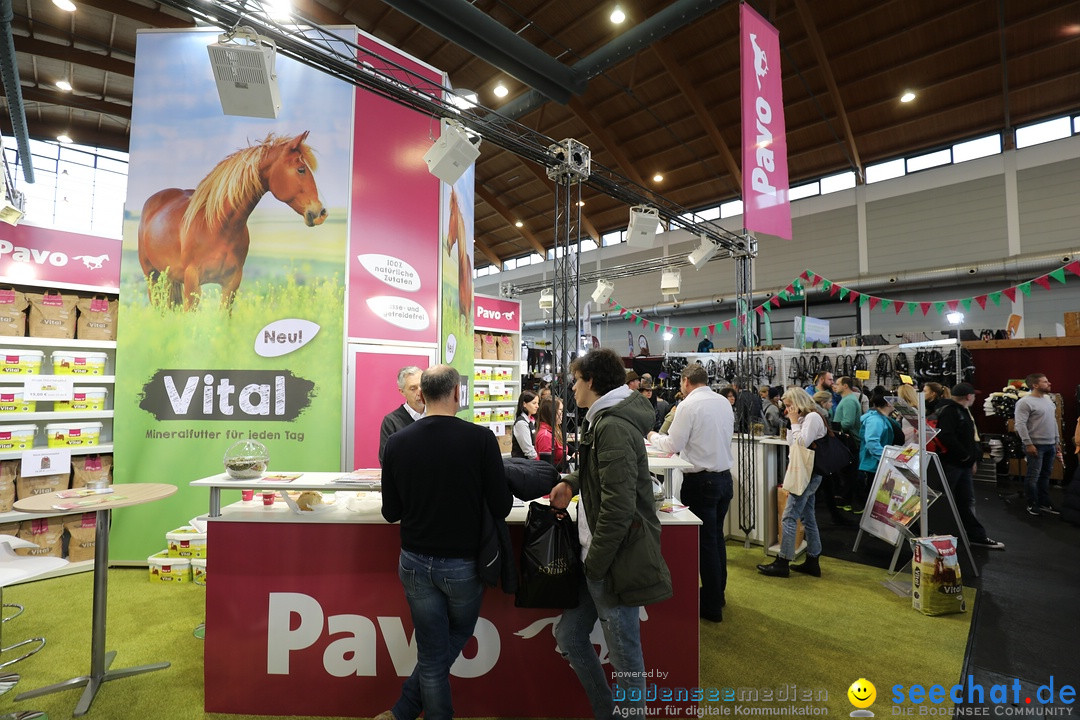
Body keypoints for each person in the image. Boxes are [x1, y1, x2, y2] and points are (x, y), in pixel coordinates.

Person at [379, 365, 512, 720]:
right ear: (457, 393)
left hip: (414, 561)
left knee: (433, 652)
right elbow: (501, 506)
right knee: (448, 643)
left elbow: (390, 512)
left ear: (421, 394)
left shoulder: (397, 442)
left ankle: (405, 710)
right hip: (461, 565)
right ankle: (407, 710)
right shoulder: (481, 440)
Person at [549, 348, 671, 719]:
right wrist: (572, 482)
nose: (572, 387)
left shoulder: (612, 424)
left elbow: (619, 508)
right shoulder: (603, 419)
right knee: (569, 637)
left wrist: (597, 564)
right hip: (599, 559)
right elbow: (605, 478)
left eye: (576, 379)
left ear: (592, 381)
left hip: (612, 561)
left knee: (626, 660)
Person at [647, 362, 733, 622]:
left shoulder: (688, 405)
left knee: (706, 544)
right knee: (716, 539)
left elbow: (673, 443)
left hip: (702, 481)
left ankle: (711, 606)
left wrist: (651, 436)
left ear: (685, 381)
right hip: (723, 479)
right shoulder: (722, 402)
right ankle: (717, 594)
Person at [757, 388, 826, 578]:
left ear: (798, 402)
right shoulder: (805, 418)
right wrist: (792, 422)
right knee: (807, 517)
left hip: (808, 473)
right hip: (806, 472)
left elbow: (801, 443)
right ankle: (813, 560)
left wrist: (794, 422)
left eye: (789, 405)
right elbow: (792, 444)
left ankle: (783, 561)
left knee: (789, 516)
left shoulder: (812, 418)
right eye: (785, 406)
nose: (786, 409)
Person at [934, 382, 1005, 549]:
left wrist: (970, 459)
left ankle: (974, 535)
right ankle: (938, 535)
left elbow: (965, 438)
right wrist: (965, 456)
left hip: (961, 465)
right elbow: (946, 436)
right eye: (973, 395)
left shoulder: (961, 411)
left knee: (965, 501)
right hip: (953, 464)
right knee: (946, 500)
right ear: (968, 396)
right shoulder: (951, 412)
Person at [1015, 373, 1062, 516]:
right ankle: (1032, 503)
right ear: (1035, 385)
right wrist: (1028, 444)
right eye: (1045, 382)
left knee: (1045, 475)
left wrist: (1057, 441)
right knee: (1033, 476)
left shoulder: (1048, 400)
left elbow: (1053, 421)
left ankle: (1044, 502)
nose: (1049, 383)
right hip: (1035, 445)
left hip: (1050, 444)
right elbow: (1020, 425)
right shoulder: (1025, 402)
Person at [379, 365, 424, 465]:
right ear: (402, 392)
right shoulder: (391, 422)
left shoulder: (434, 416)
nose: (419, 392)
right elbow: (386, 460)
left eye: (422, 386)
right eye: (413, 388)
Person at [857, 396, 895, 511]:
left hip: (875, 462)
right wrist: (886, 458)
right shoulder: (876, 420)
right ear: (888, 403)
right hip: (873, 463)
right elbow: (872, 443)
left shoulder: (880, 418)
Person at [534, 396, 566, 468]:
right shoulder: (545, 436)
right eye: (560, 410)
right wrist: (570, 461)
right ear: (551, 412)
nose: (562, 414)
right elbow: (547, 467)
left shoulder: (554, 430)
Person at [511, 390, 539, 459]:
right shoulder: (521, 423)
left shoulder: (532, 421)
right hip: (523, 464)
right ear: (524, 404)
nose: (537, 406)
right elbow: (528, 450)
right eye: (534, 403)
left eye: (538, 403)